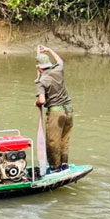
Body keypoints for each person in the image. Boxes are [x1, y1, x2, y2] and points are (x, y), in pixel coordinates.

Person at [35, 45, 73, 173]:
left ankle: (55, 168)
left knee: (53, 142)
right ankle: (64, 164)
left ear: (38, 68)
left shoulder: (41, 81)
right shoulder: (58, 70)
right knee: (64, 139)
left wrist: (37, 103)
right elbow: (60, 61)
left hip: (56, 113)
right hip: (68, 110)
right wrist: (50, 50)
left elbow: (42, 100)